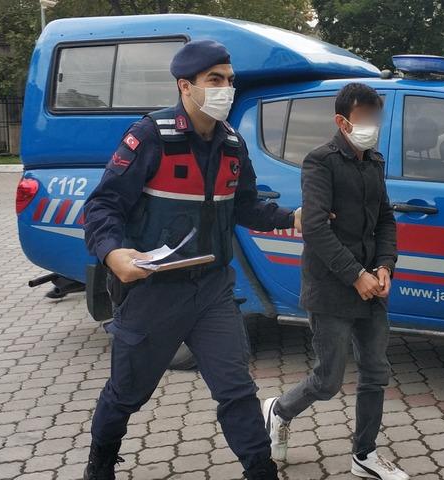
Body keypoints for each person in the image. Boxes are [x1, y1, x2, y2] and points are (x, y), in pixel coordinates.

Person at [82, 40, 300, 480]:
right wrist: (112, 252)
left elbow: (246, 206)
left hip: (213, 290)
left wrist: (290, 218)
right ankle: (100, 464)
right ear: (186, 86)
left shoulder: (233, 145)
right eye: (214, 80)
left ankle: (261, 470)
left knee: (236, 390)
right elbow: (103, 206)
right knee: (126, 394)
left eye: (229, 80)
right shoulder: (149, 136)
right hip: (153, 293)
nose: (226, 88)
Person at [262, 83, 408, 480]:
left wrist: (384, 266)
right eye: (364, 119)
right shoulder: (320, 162)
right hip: (331, 288)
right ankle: (279, 409)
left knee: (376, 372)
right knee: (328, 381)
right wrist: (354, 274)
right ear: (342, 121)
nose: (372, 127)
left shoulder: (374, 162)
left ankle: (365, 455)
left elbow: (385, 220)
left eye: (376, 119)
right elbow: (313, 227)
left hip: (371, 288)